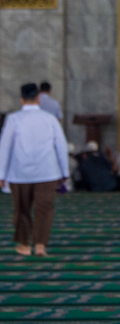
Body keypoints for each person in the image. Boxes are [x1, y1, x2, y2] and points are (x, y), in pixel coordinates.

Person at [0, 83, 69, 256]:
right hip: (47, 172)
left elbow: (4, 148)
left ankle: (24, 245)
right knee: (44, 209)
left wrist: (1, 173)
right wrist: (65, 172)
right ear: (38, 98)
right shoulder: (50, 119)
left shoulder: (13, 119)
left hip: (19, 174)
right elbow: (61, 146)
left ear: (21, 99)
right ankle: (40, 245)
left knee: (22, 209)